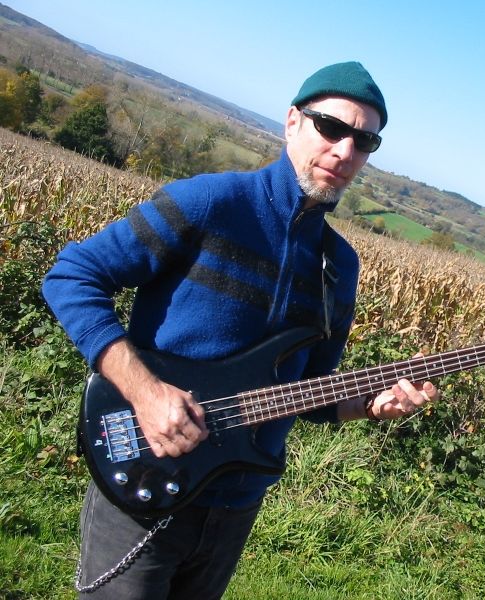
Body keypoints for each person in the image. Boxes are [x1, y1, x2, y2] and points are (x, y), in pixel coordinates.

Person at [42, 61, 439, 599]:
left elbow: (307, 394)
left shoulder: (338, 267)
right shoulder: (210, 203)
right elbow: (72, 276)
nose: (345, 151)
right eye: (331, 127)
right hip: (145, 472)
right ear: (293, 122)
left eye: (364, 140)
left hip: (235, 505)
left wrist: (368, 405)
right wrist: (146, 393)